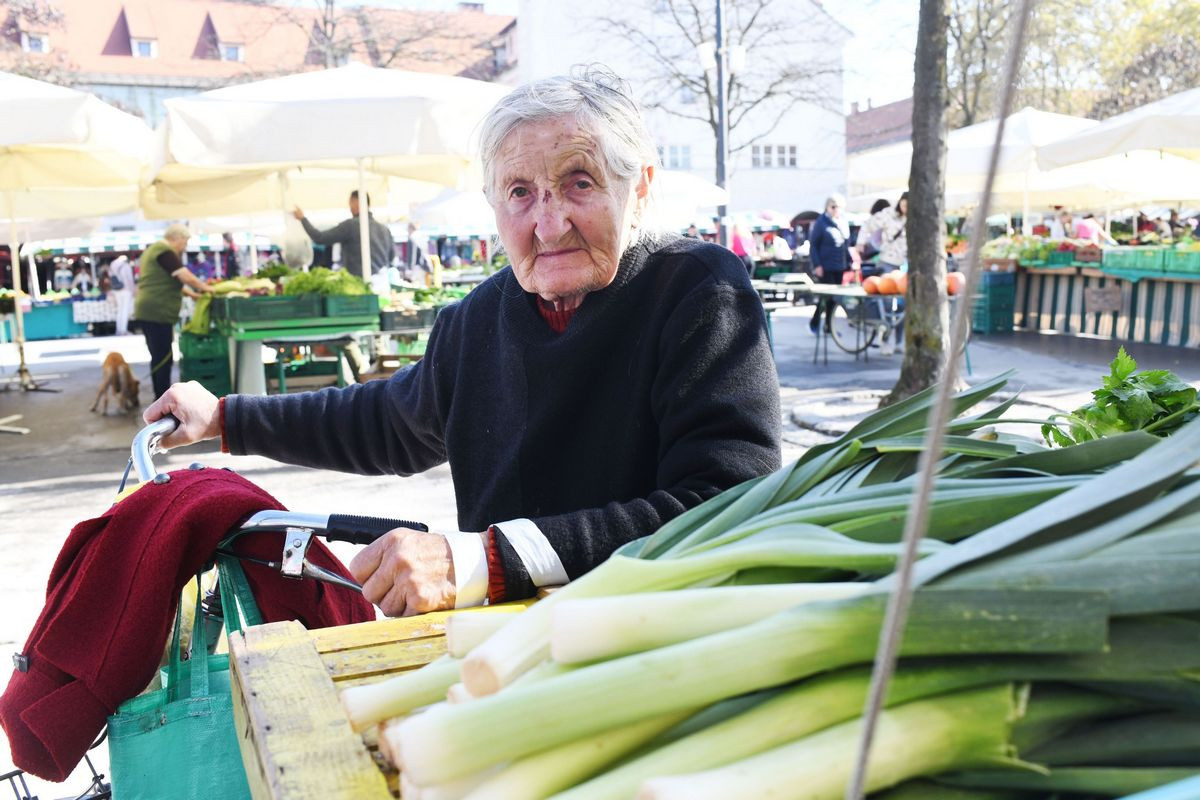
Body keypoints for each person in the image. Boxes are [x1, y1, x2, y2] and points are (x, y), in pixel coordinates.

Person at [143, 68, 782, 618]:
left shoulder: (697, 291)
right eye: (521, 192)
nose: (549, 223)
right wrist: (225, 418)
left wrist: (482, 560)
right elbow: (389, 422)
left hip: (657, 637)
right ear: (493, 203)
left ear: (637, 188)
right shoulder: (478, 318)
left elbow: (723, 501)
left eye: (580, 183)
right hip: (510, 640)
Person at [133, 224, 213, 400]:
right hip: (157, 310)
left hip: (150, 309)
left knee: (159, 355)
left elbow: (165, 280)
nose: (184, 247)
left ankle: (160, 397)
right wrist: (207, 288)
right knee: (162, 358)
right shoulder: (164, 250)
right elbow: (184, 275)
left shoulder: (152, 250)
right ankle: (162, 400)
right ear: (176, 238)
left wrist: (191, 294)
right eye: (185, 242)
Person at [293, 191, 396, 275]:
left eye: (350, 202)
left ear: (355, 202)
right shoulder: (384, 230)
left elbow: (320, 238)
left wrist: (302, 219)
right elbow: (391, 257)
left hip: (358, 285)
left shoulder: (350, 226)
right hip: (382, 285)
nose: (349, 206)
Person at [808, 193, 850, 333]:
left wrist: (850, 262)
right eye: (833, 207)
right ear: (827, 207)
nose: (836, 210)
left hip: (840, 265)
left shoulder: (843, 222)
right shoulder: (821, 223)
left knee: (833, 298)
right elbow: (813, 245)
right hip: (825, 266)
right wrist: (817, 265)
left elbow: (846, 244)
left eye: (838, 207)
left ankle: (828, 325)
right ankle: (816, 322)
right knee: (826, 296)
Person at [108, 254, 135, 336]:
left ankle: (118, 330)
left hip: (116, 290)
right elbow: (129, 279)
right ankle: (123, 330)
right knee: (125, 310)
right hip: (126, 290)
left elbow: (110, 276)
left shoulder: (112, 265)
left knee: (120, 310)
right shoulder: (126, 266)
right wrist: (132, 290)